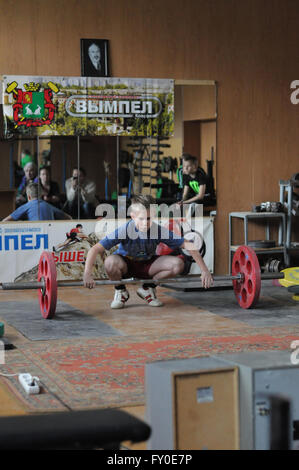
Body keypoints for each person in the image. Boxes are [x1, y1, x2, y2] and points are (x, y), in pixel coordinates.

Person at [83, 194, 213, 309]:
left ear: (154, 216)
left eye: (149, 218)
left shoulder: (158, 230)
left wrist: (204, 271)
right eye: (141, 219)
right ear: (133, 217)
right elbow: (95, 249)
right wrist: (87, 274)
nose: (145, 223)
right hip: (126, 266)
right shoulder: (124, 230)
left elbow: (188, 244)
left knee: (178, 264)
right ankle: (120, 291)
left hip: (148, 266)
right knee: (110, 262)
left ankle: (147, 288)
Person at [3, 183, 72, 221]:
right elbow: (69, 218)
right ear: (41, 195)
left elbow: (5, 221)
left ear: (29, 197)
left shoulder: (26, 206)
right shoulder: (49, 206)